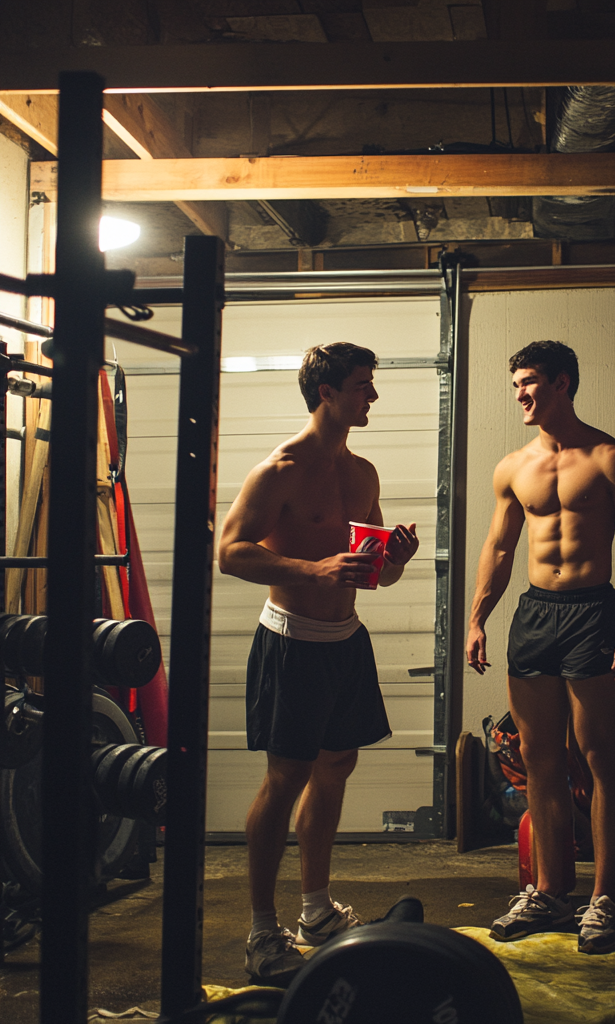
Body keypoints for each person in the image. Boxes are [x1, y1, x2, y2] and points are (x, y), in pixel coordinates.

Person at [218, 342, 419, 980]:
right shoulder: (278, 470)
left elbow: (372, 577)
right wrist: (313, 567)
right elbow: (229, 552)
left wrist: (395, 561)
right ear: (326, 393)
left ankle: (315, 911)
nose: (373, 396)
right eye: (363, 385)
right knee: (286, 780)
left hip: (345, 641)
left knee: (336, 766)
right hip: (292, 641)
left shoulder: (363, 475)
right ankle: (260, 931)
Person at [466, 340, 615, 955]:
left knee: (598, 755)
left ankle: (603, 898)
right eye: (516, 383)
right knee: (538, 757)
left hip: (592, 612)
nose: (521, 393)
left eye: (531, 382)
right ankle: (550, 892)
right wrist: (477, 619)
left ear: (564, 383)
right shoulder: (512, 466)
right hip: (534, 613)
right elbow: (497, 548)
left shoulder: (612, 459)